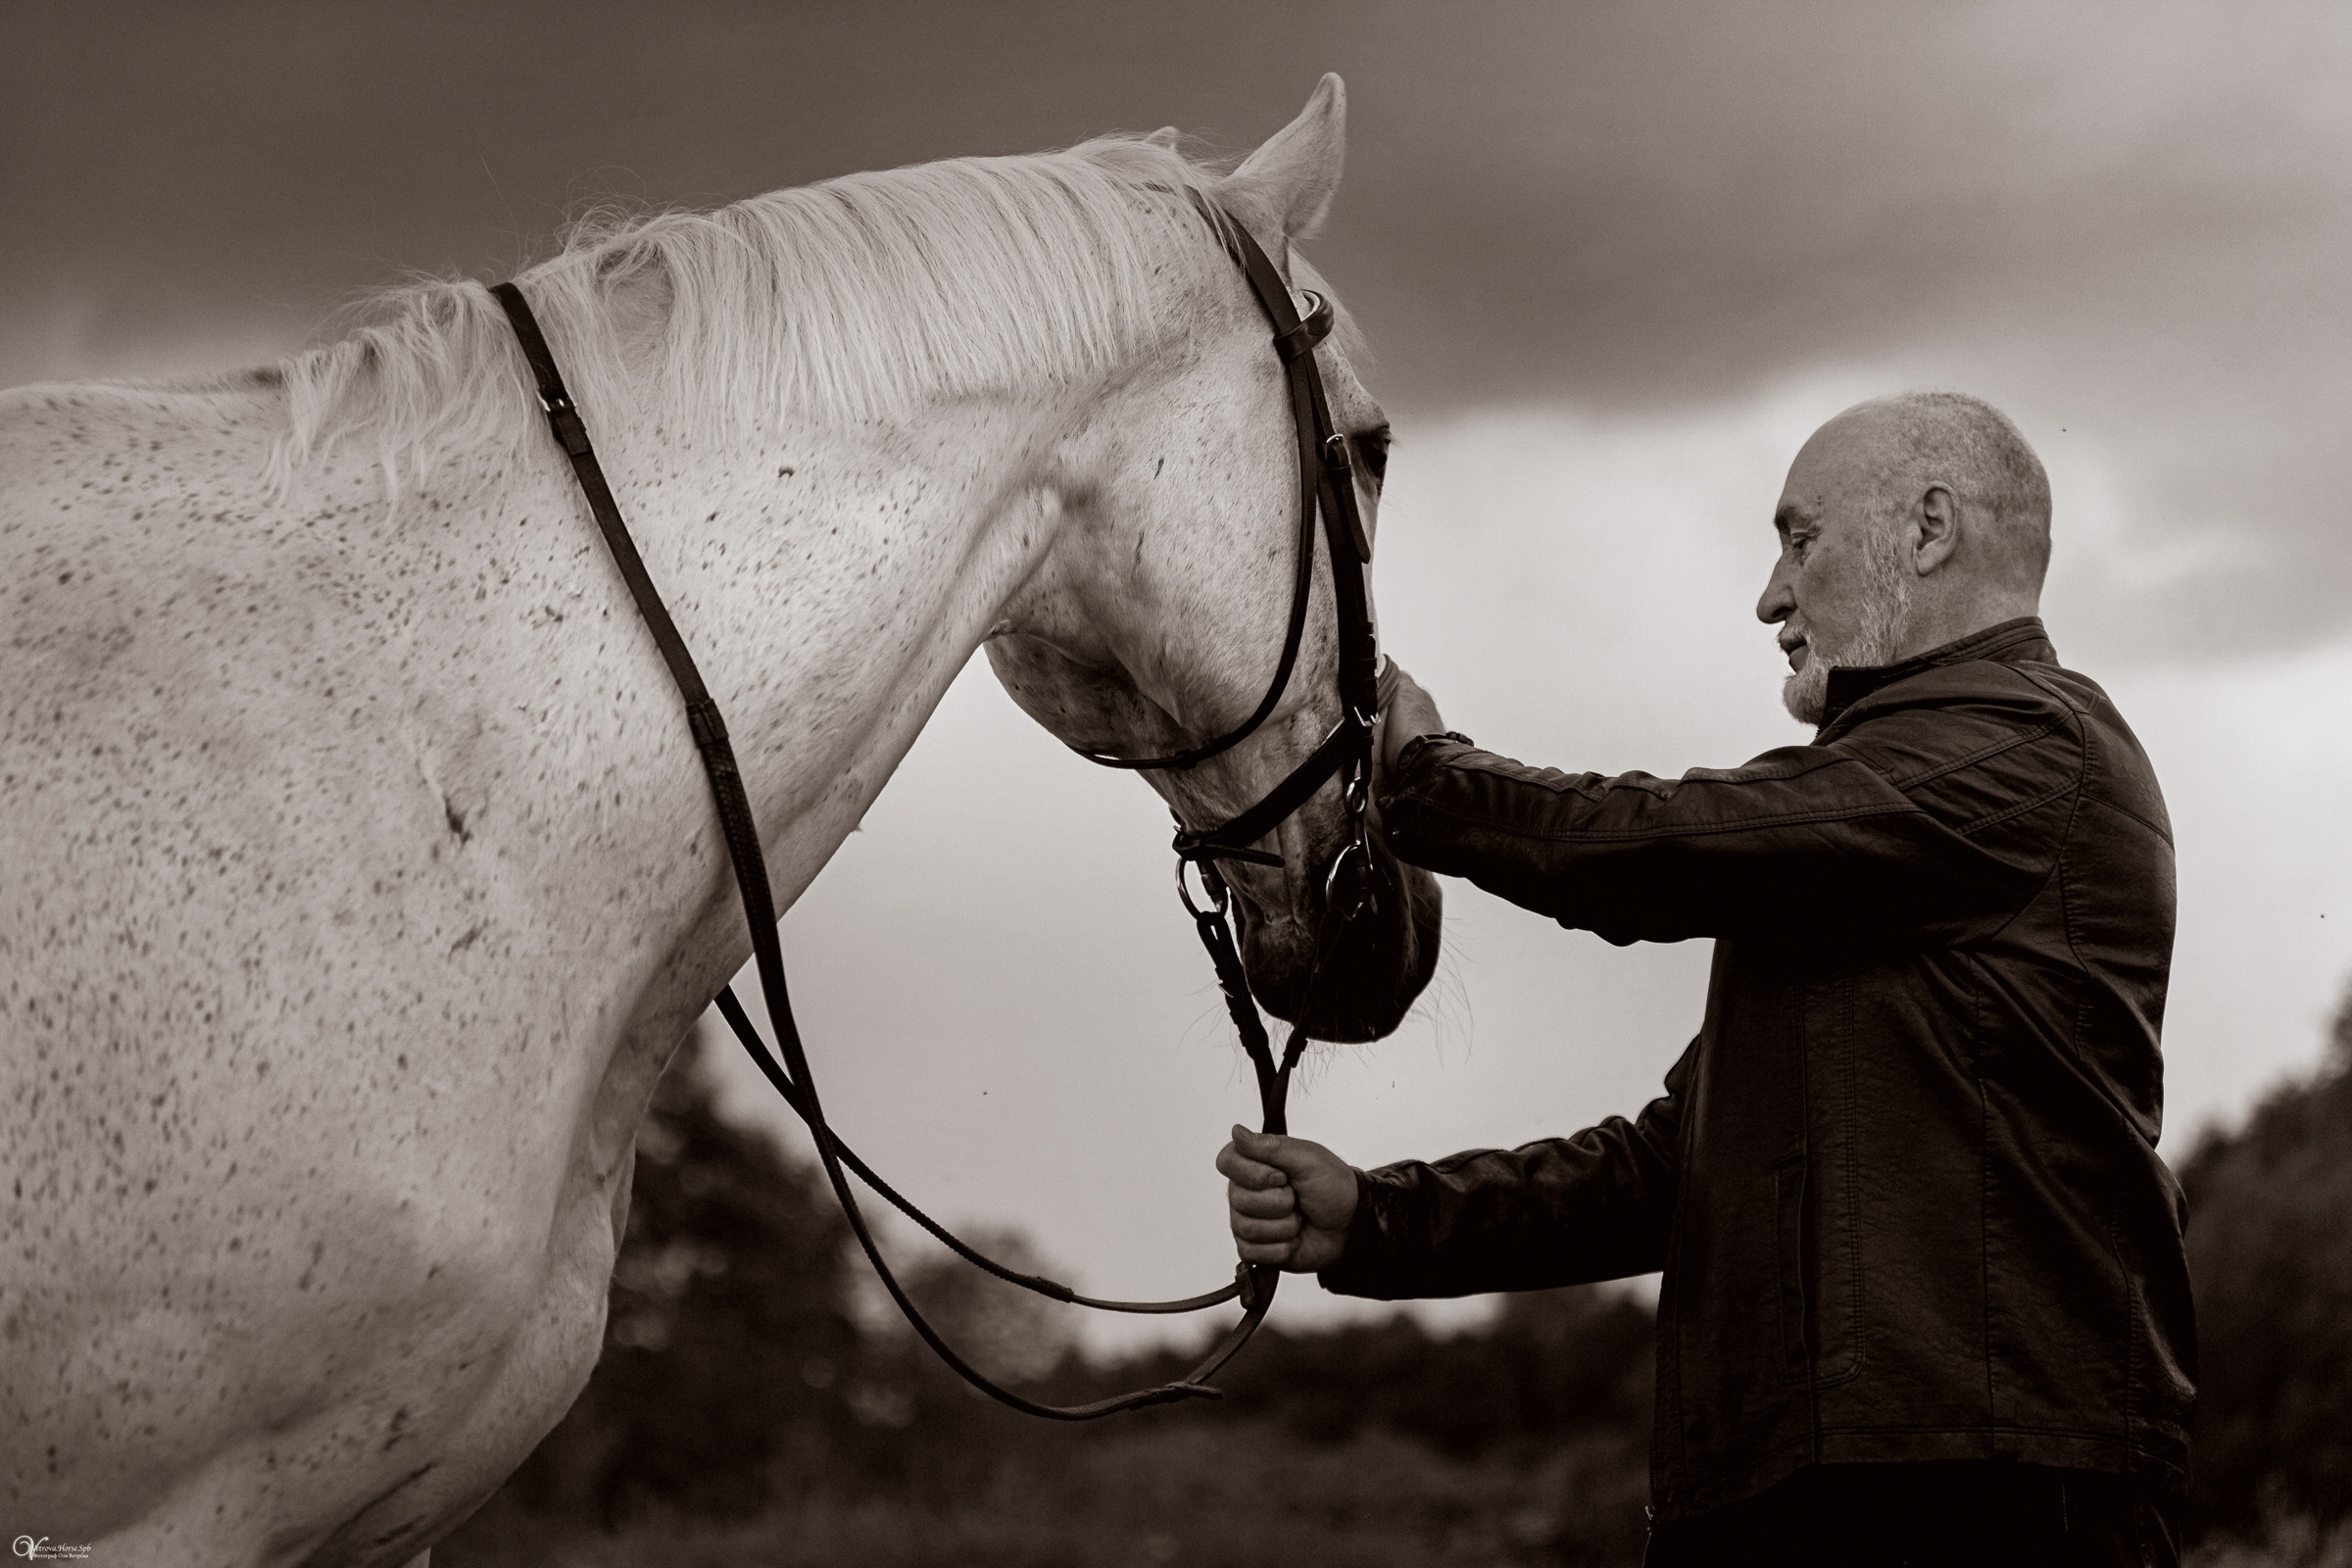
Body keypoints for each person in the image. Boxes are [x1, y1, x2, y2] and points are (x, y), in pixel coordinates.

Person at [1218, 393, 2193, 1566]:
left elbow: (1674, 844)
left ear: (1930, 528)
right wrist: (1375, 1219)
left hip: (1986, 1497)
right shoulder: (1863, 838)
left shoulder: (2034, 744)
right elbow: (1673, 1170)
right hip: (1785, 1498)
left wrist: (1433, 780)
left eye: (1801, 540)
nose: (1771, 598)